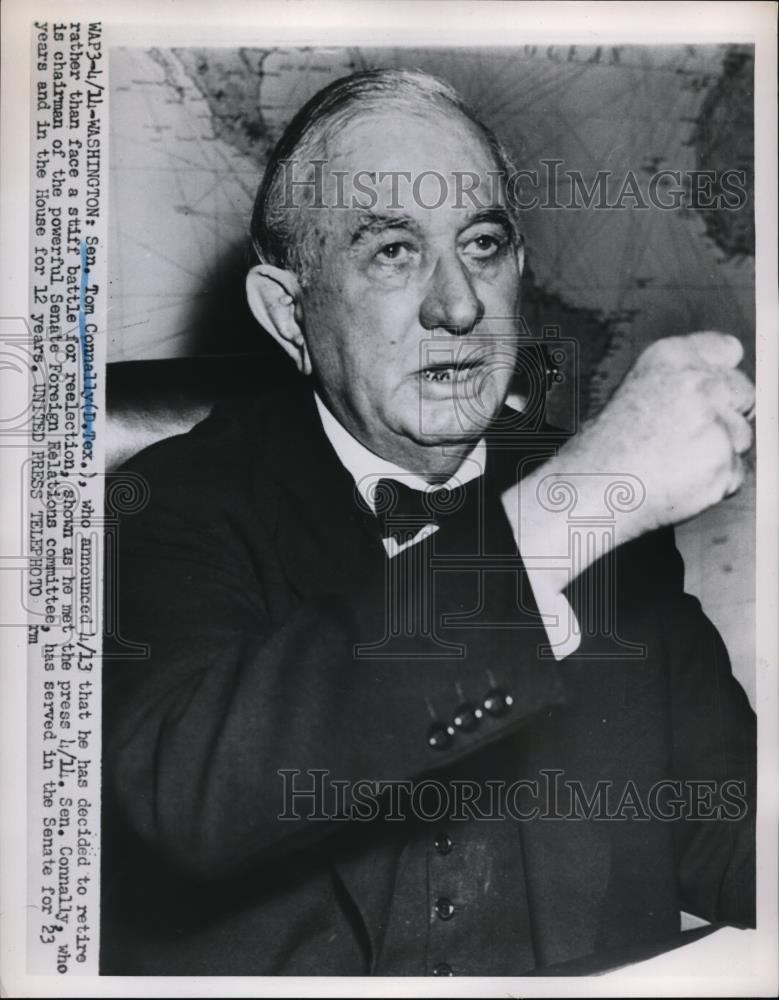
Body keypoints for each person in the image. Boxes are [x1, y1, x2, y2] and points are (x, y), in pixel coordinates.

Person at [100, 69, 756, 977]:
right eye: (392, 252)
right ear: (288, 315)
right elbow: (177, 799)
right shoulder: (172, 503)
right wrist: (568, 512)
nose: (458, 306)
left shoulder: (602, 509)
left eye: (482, 244)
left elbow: (724, 831)